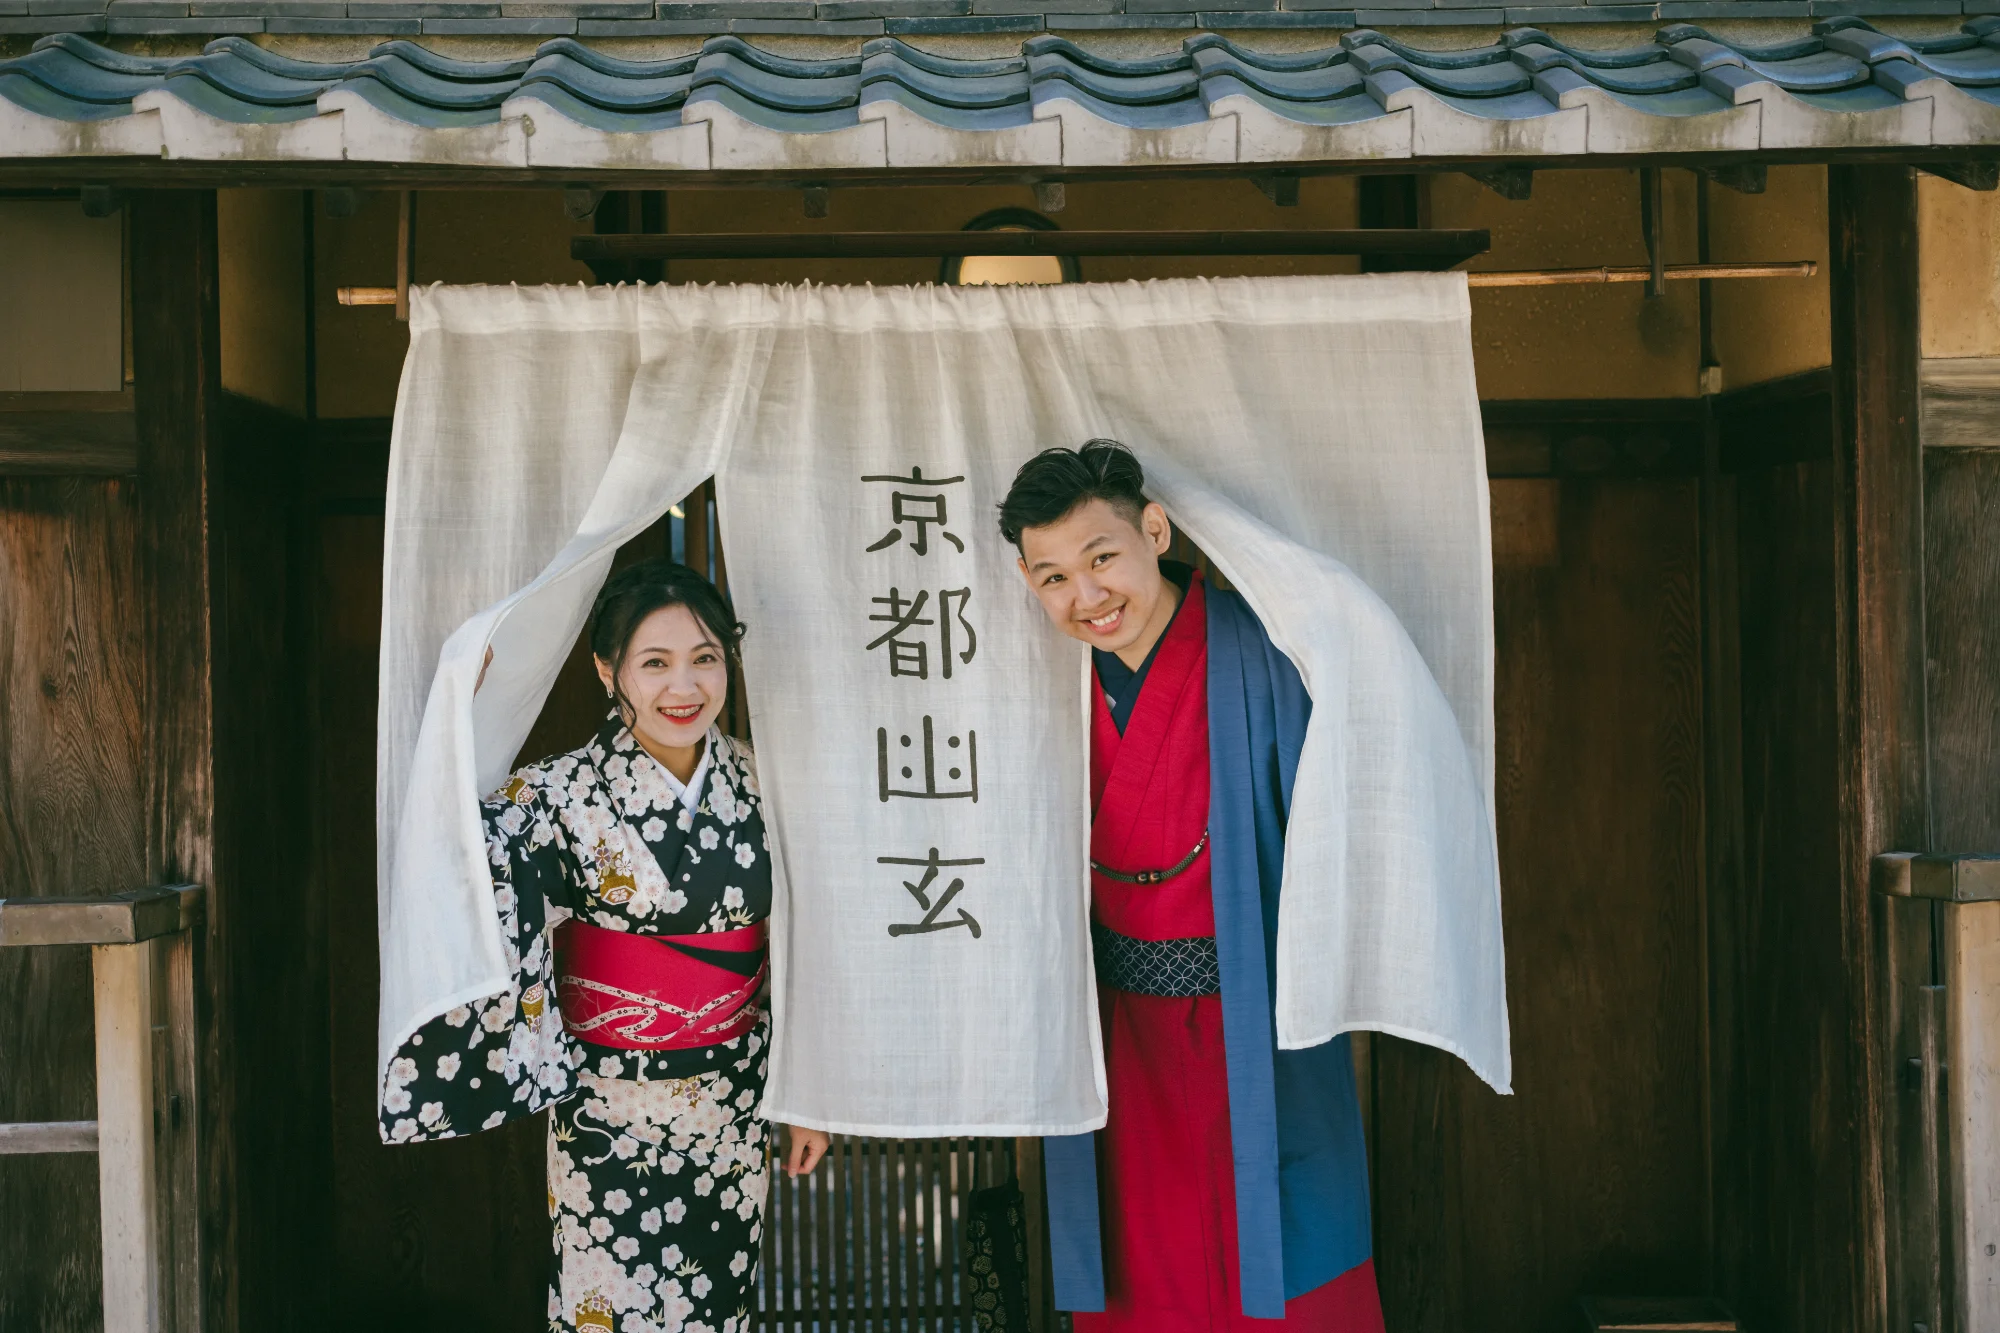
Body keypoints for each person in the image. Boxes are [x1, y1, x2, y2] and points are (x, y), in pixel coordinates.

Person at [378, 557, 830, 1333]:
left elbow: (813, 936)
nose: (683, 687)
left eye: (705, 658)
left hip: (733, 1104)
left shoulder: (766, 784)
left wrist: (810, 1089)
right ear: (606, 669)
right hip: (607, 1112)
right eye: (654, 663)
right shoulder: (559, 794)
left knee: (719, 1304)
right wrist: (464, 699)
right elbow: (451, 842)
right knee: (606, 1309)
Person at [1000, 442, 1384, 1333]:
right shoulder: (1041, 683)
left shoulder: (1261, 650)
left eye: (1102, 559)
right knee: (1139, 1273)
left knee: (1293, 1260)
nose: (1086, 597)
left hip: (1259, 1020)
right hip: (1118, 1035)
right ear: (1026, 580)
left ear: (1155, 530)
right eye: (1053, 576)